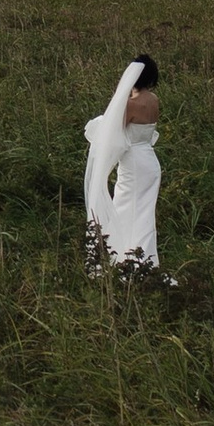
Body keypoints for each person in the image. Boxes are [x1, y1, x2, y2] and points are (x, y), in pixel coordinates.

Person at [84, 56, 162, 271]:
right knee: (144, 212)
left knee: (125, 209)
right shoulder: (153, 99)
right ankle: (144, 260)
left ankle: (126, 260)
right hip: (150, 161)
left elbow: (111, 132)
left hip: (133, 165)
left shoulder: (131, 105)